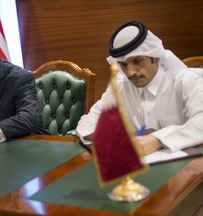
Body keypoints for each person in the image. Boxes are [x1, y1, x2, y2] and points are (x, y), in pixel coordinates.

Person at [76, 21, 203, 155]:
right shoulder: (121, 85)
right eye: (123, 65)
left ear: (156, 57)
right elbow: (88, 122)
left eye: (137, 61)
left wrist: (157, 140)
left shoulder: (186, 81)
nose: (130, 72)